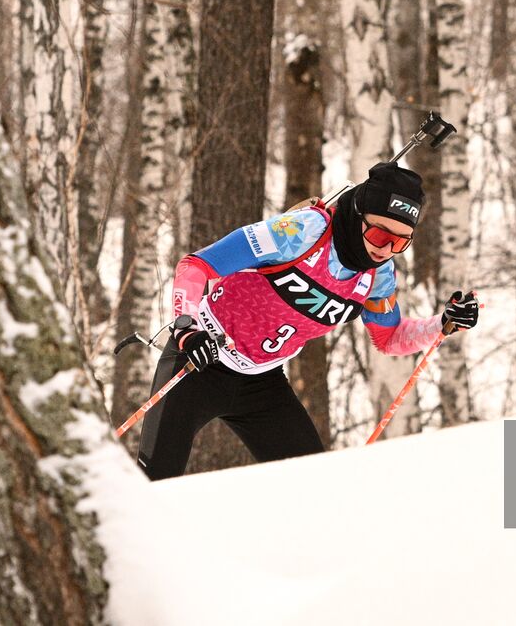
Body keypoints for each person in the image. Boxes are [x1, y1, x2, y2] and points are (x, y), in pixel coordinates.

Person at [136, 161, 478, 478]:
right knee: (155, 482)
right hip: (199, 362)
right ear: (359, 213)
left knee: (313, 486)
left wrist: (442, 323)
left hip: (261, 383)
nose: (385, 250)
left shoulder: (380, 276)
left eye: (400, 242)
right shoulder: (301, 232)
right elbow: (196, 266)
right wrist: (187, 327)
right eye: (379, 235)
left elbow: (389, 338)